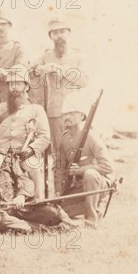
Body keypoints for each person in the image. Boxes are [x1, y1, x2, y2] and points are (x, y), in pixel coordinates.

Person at [0, 118, 73, 232]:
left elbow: (24, 179)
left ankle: (67, 224)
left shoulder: (6, 158)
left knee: (52, 212)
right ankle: (42, 229)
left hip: (17, 207)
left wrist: (21, 196)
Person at [0, 64, 51, 199]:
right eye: (11, 84)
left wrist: (31, 149)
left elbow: (45, 137)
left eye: (17, 83)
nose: (13, 87)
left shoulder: (36, 109)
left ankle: (39, 202)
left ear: (27, 86)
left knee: (34, 167)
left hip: (24, 155)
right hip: (1, 154)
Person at [55, 94, 114, 227]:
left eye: (71, 113)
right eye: (65, 114)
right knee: (59, 211)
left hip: (99, 184)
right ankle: (95, 205)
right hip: (79, 186)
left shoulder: (92, 137)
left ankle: (91, 219)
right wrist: (58, 189)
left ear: (82, 116)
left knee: (90, 174)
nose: (67, 117)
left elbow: (108, 167)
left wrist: (82, 169)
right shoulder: (64, 138)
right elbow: (59, 167)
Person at [31, 18, 89, 152]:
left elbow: (84, 81)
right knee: (58, 150)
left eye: (62, 31)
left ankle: (76, 173)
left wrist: (61, 69)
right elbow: (30, 72)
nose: (59, 35)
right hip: (55, 112)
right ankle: (58, 173)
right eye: (55, 33)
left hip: (74, 109)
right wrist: (40, 70)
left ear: (69, 33)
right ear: (51, 36)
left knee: (77, 149)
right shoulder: (46, 55)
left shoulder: (78, 55)